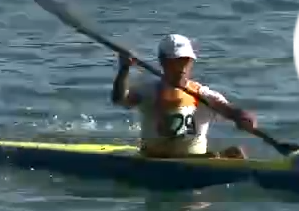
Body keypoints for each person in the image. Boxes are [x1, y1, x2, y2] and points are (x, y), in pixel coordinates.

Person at [110, 34, 257, 159]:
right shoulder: (148, 91)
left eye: (185, 61)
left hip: (196, 161)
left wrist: (243, 117)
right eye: (174, 61)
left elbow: (230, 111)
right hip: (154, 159)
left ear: (191, 62)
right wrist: (124, 69)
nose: (181, 68)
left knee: (236, 153)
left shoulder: (202, 94)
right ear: (162, 62)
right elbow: (119, 100)